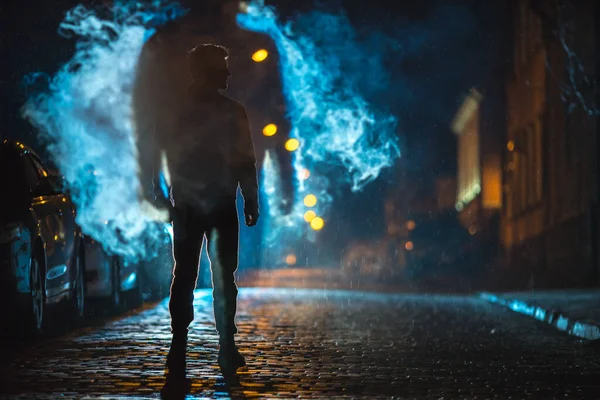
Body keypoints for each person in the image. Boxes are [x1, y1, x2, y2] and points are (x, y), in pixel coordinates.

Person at [138, 43, 260, 377]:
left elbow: (154, 160)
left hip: (189, 207)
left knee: (186, 276)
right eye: (223, 66)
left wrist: (161, 198)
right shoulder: (232, 111)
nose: (229, 72)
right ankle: (225, 348)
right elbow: (244, 160)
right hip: (218, 205)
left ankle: (180, 349)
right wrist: (250, 199)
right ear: (208, 71)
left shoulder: (175, 112)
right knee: (222, 278)